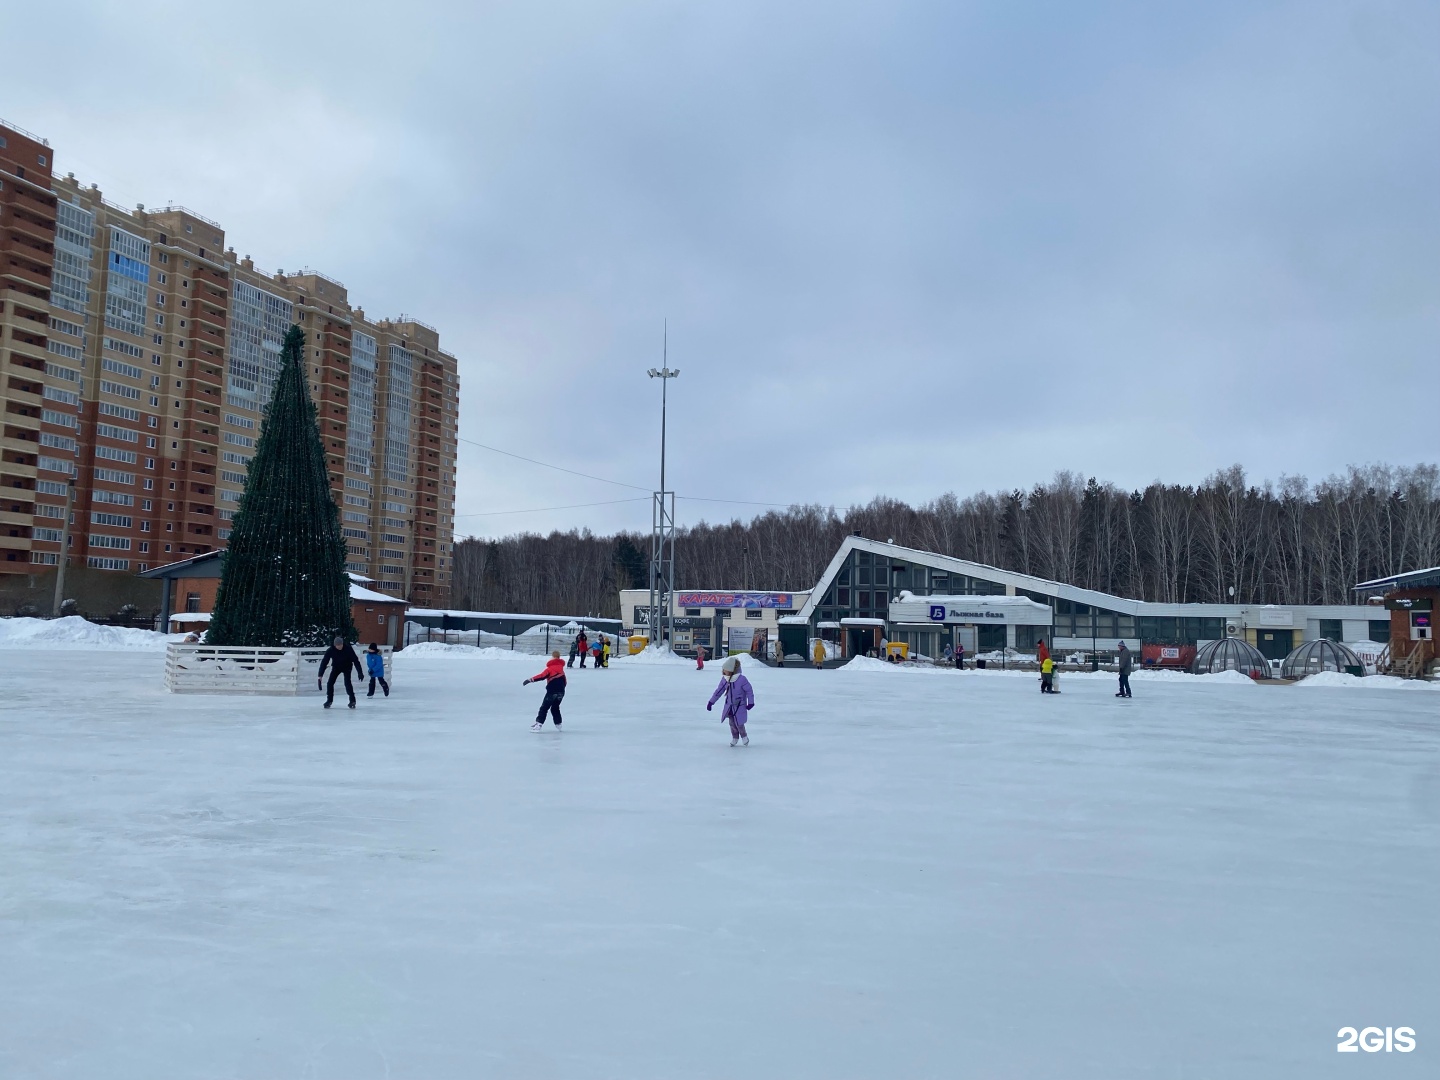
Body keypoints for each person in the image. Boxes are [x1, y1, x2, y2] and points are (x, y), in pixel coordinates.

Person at [707, 655, 755, 746]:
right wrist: (711, 702)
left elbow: (749, 691)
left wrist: (751, 702)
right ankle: (735, 738)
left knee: (739, 723)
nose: (723, 671)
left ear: (731, 670)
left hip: (739, 705)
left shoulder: (741, 679)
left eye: (725, 669)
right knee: (732, 723)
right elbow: (719, 691)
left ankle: (744, 737)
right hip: (729, 706)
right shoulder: (725, 679)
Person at [524, 649, 567, 730]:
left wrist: (530, 679)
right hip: (561, 691)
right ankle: (558, 724)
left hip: (552, 691)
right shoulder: (561, 669)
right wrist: (561, 690)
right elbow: (565, 681)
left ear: (553, 657)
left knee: (544, 707)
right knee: (555, 707)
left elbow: (542, 676)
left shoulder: (550, 669)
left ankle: (539, 724)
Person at [318, 635, 363, 709]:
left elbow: (355, 660)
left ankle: (352, 700)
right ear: (334, 645)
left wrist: (360, 672)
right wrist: (320, 675)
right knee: (330, 683)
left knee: (347, 683)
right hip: (336, 667)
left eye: (340, 645)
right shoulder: (331, 650)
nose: (338, 647)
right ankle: (329, 700)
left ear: (342, 644)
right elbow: (324, 662)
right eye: (337, 645)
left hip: (347, 667)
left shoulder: (348, 649)